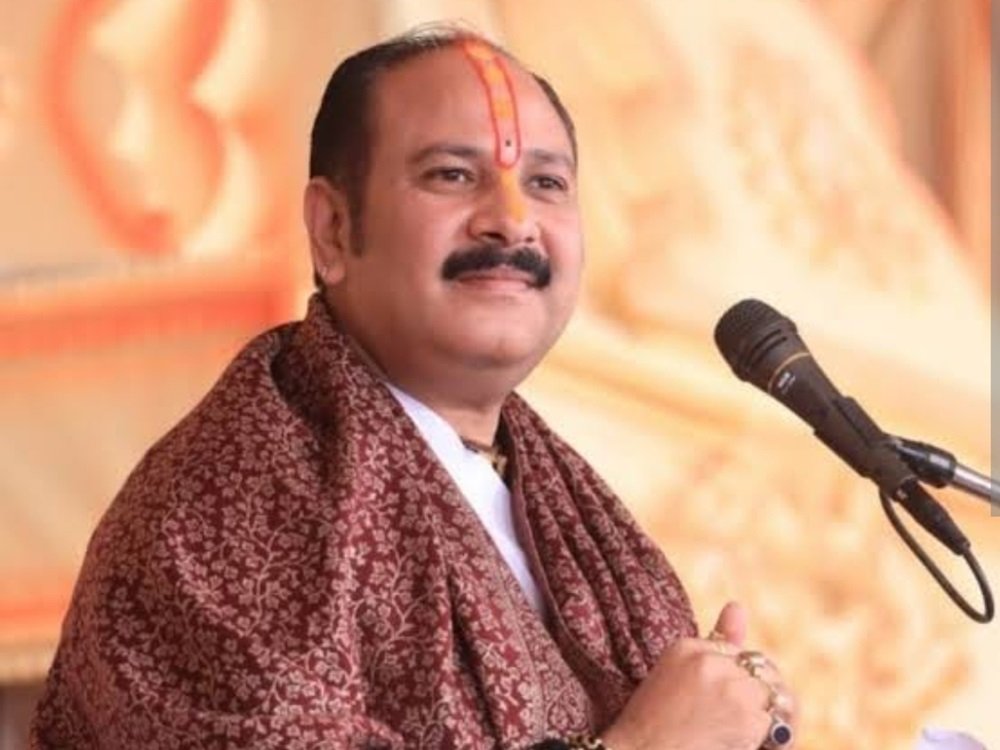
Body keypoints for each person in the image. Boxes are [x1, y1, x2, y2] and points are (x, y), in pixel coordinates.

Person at [31, 25, 797, 750]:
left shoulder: (558, 500)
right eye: (452, 175)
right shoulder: (229, 509)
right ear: (333, 230)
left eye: (546, 182)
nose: (513, 222)